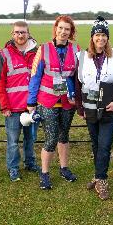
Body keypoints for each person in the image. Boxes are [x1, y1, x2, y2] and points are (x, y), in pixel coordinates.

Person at [75, 16, 113, 200]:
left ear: (107, 38)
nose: (100, 39)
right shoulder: (81, 56)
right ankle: (98, 176)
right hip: (89, 108)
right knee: (96, 144)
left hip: (110, 108)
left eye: (103, 35)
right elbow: (76, 83)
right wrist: (79, 108)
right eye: (97, 35)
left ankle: (102, 180)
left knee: (105, 145)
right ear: (92, 37)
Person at [27, 15, 80, 190]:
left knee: (64, 136)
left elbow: (77, 77)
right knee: (50, 139)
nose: (63, 32)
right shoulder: (43, 49)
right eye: (61, 28)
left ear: (71, 32)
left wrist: (76, 96)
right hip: (47, 100)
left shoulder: (76, 50)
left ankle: (64, 168)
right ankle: (45, 173)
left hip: (67, 102)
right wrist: (31, 101)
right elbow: (35, 76)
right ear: (55, 29)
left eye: (67, 29)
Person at [0, 21, 40, 182]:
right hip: (12, 108)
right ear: (12, 34)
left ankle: (30, 163)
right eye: (17, 32)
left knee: (30, 138)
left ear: (29, 33)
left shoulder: (38, 53)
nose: (20, 35)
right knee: (13, 141)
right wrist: (4, 106)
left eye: (23, 32)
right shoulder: (4, 54)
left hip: (32, 106)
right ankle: (13, 168)